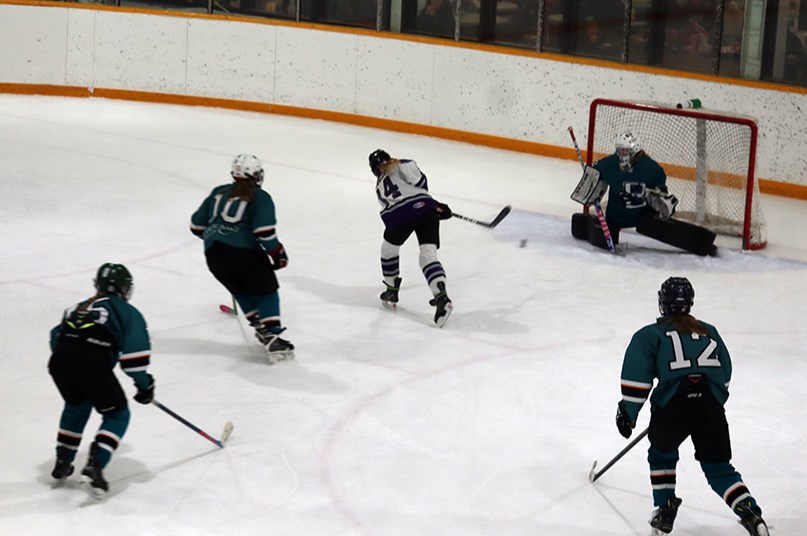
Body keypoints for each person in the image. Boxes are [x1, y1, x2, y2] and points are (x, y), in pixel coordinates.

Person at [615, 277, 769, 536]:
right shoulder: (709, 331)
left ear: (662, 303)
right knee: (719, 467)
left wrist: (628, 414)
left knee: (662, 455)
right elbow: (725, 373)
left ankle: (665, 507)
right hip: (710, 407)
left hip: (672, 409)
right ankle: (750, 512)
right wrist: (707, 402)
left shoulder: (650, 335)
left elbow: (636, 379)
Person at [48, 263, 155, 499]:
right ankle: (94, 467)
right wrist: (144, 385)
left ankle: (62, 462)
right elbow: (135, 357)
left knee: (77, 406)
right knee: (117, 415)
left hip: (60, 364)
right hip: (91, 365)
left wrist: (79, 362)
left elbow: (56, 337)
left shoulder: (76, 307)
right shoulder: (126, 311)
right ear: (121, 288)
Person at [190, 154, 294, 363]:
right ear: (255, 175)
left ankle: (261, 328)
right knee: (266, 291)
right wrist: (277, 253)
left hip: (214, 255)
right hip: (245, 252)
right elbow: (264, 231)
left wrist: (218, 235)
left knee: (242, 290)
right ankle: (272, 335)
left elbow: (196, 226)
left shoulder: (218, 192)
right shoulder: (260, 196)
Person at [570, 131, 717, 256]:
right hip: (616, 216)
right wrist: (590, 180)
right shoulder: (609, 164)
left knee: (656, 226)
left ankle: (702, 242)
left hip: (643, 216)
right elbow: (596, 174)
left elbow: (661, 188)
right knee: (598, 236)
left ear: (636, 150)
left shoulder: (650, 168)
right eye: (620, 150)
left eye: (626, 150)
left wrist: (659, 197)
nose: (622, 153)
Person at [369, 149, 453, 327]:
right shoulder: (403, 164)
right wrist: (434, 206)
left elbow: (398, 202)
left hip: (400, 216)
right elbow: (420, 185)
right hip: (426, 210)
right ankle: (441, 298)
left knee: (389, 250)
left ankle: (391, 290)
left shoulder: (379, 186)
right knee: (428, 254)